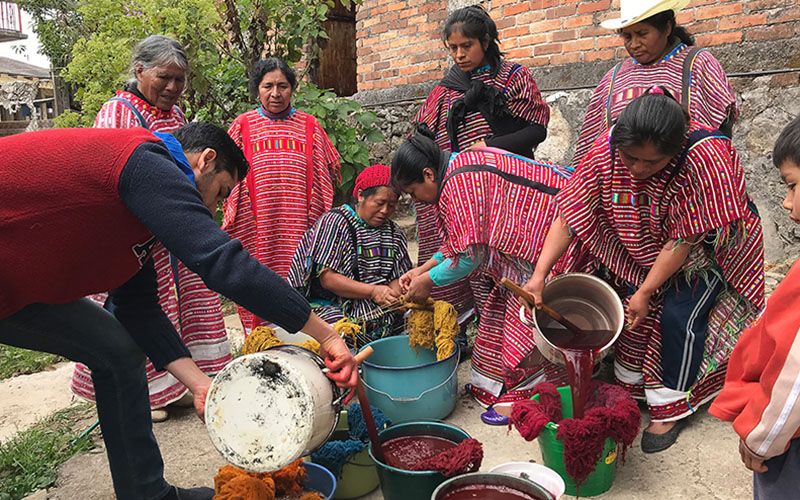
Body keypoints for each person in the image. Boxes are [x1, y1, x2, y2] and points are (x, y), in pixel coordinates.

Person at [0, 122, 357, 500]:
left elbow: (137, 309)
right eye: (220, 193)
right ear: (206, 160)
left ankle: (147, 495)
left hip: (17, 285)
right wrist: (327, 335)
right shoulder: (145, 161)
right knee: (114, 351)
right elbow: (222, 263)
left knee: (117, 352)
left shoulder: (137, 212)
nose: (213, 210)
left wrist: (200, 384)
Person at [525, 90, 765, 453]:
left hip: (702, 250)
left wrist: (646, 291)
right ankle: (634, 388)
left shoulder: (703, 158)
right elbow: (569, 215)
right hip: (637, 240)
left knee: (680, 318)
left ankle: (671, 405)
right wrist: (539, 276)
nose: (637, 169)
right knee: (630, 315)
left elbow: (682, 241)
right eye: (630, 158)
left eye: (651, 163)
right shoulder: (606, 149)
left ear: (675, 151)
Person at [72, 35, 230, 423]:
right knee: (140, 308)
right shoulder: (118, 113)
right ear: (139, 70)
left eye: (180, 79)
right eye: (164, 77)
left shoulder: (177, 117)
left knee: (180, 306)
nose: (173, 87)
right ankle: (146, 393)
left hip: (170, 230)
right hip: (135, 231)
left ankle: (176, 386)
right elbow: (108, 177)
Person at [393, 125, 579, 425]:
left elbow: (472, 255)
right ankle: (493, 383)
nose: (417, 200)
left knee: (528, 317)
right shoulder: (454, 171)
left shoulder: (460, 181)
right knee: (497, 313)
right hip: (523, 249)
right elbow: (460, 242)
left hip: (556, 235)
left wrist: (427, 282)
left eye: (414, 192)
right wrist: (422, 269)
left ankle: (532, 395)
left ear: (428, 174)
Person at [411, 5, 551, 332]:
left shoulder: (513, 78)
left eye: (467, 46)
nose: (459, 55)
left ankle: (520, 331)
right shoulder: (445, 90)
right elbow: (424, 137)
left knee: (510, 260)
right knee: (472, 258)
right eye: (453, 48)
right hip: (467, 196)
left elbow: (537, 129)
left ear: (486, 41)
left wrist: (490, 146)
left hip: (508, 189)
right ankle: (483, 330)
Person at [709, 116, 800, 499]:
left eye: (792, 185)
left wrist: (762, 438)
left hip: (789, 436)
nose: (786, 202)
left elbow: (794, 377)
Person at [224, 57, 341, 333]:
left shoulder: (310, 126)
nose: (275, 93)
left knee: (300, 284)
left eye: (283, 86)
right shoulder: (242, 126)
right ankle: (262, 340)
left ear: (292, 89)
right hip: (258, 228)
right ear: (257, 89)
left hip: (300, 228)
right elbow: (226, 176)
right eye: (268, 86)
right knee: (257, 283)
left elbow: (326, 173)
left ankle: (305, 340)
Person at [573, 0, 737, 168]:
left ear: (667, 28)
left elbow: (720, 133)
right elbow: (593, 147)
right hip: (622, 181)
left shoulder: (698, 64)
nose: (634, 44)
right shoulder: (614, 76)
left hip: (684, 177)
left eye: (642, 34)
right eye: (627, 37)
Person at [288, 165, 412, 349]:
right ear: (361, 195)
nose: (385, 210)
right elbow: (328, 279)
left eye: (392, 205)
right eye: (379, 203)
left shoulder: (394, 233)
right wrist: (373, 291)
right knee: (340, 333)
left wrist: (396, 298)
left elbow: (398, 277)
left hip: (377, 307)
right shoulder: (335, 222)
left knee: (415, 324)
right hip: (334, 304)